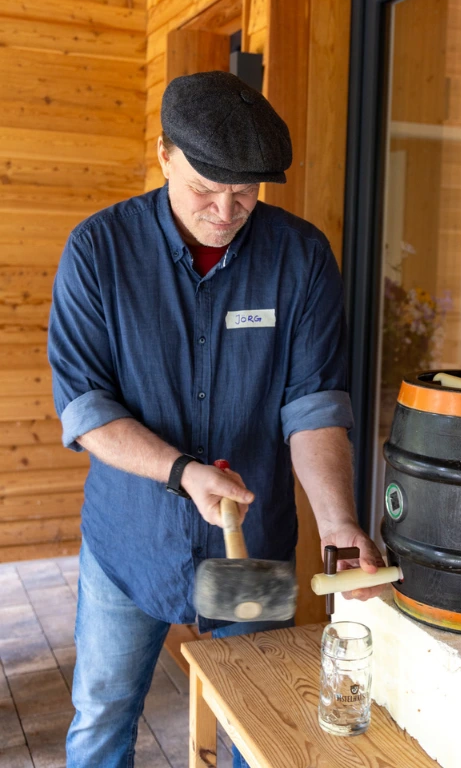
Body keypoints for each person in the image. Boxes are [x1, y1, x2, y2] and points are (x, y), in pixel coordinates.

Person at [47, 70, 384, 768]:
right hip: (128, 545)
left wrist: (339, 522)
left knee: (252, 723)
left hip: (251, 549)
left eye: (244, 194)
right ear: (164, 153)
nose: (226, 212)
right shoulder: (98, 252)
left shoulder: (301, 256)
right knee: (103, 714)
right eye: (206, 189)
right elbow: (86, 406)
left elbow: (314, 403)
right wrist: (181, 471)